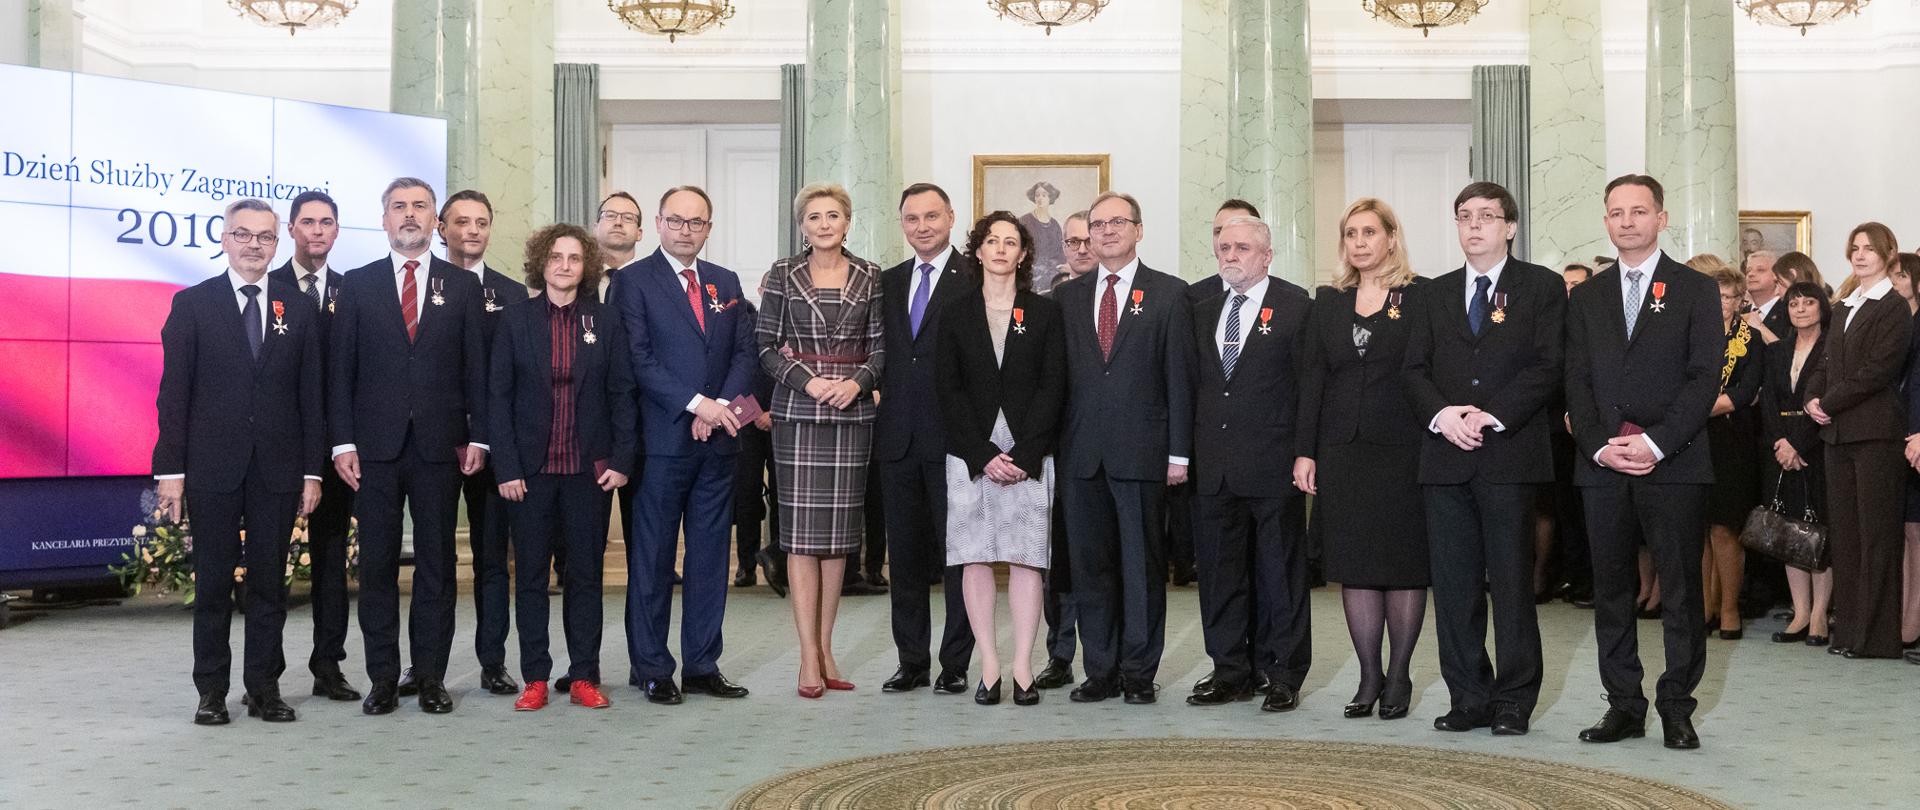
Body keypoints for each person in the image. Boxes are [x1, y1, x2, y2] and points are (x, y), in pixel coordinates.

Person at [1402, 181, 1563, 736]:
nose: (1474, 225)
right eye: (1465, 216)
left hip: (1508, 455)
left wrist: (1492, 414)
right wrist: (1442, 415)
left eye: (1487, 216)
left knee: (1513, 585)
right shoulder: (1432, 293)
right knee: (1454, 588)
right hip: (1445, 457)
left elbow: (1547, 365)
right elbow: (1413, 370)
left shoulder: (1541, 287)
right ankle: (1468, 696)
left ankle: (1514, 700)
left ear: (1510, 227)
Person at [1565, 174, 1720, 750]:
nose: (1626, 221)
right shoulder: (1587, 296)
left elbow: (1704, 378)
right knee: (1611, 591)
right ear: (1606, 221)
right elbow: (1575, 379)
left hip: (1673, 462)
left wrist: (1656, 443)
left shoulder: (1695, 289)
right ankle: (1624, 705)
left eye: (1638, 211)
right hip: (1603, 464)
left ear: (1661, 218)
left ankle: (1677, 707)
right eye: (1616, 212)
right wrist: (1598, 445)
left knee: (1680, 591)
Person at [155, 198, 324, 725]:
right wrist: (171, 472)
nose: (255, 244)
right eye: (244, 234)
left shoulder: (298, 308)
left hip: (279, 467)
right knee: (212, 584)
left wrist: (312, 471)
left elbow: (311, 396)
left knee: (270, 585)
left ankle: (264, 689)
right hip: (212, 468)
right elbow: (173, 395)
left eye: (265, 236)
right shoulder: (192, 304)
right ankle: (211, 691)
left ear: (278, 243)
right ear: (225, 239)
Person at [329, 177, 490, 716]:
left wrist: (479, 435)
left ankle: (431, 676)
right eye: (399, 207)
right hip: (373, 450)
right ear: (384, 220)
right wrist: (342, 442)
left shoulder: (461, 286)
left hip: (440, 449)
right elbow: (341, 371)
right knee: (376, 566)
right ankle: (381, 678)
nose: (409, 215)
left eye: (420, 206)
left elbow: (477, 370)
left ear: (435, 221)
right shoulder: (357, 284)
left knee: (437, 565)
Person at [615, 185, 758, 704]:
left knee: (710, 559)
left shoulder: (726, 281)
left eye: (696, 222)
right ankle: (652, 667)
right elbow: (638, 358)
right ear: (657, 223)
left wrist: (717, 407)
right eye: (676, 220)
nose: (685, 230)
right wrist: (697, 404)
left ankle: (702, 664)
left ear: (708, 228)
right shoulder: (632, 281)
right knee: (652, 560)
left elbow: (744, 352)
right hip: (659, 444)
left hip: (717, 445)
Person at [489, 224, 637, 711]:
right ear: (542, 263)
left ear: (586, 266)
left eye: (574, 258)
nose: (565, 265)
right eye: (556, 256)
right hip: (528, 473)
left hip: (588, 473)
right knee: (531, 577)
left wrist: (622, 460)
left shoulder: (606, 321)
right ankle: (535, 676)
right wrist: (506, 467)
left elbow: (622, 394)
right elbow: (498, 398)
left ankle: (584, 675)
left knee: (586, 577)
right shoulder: (515, 320)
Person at [1055, 191, 1193, 705]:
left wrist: (1179, 453)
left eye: (1118, 222)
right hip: (1080, 456)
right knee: (1090, 569)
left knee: (1141, 569)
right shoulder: (1067, 297)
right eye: (1098, 224)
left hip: (1143, 452)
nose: (1107, 231)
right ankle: (1100, 670)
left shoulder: (1170, 293)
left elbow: (1180, 377)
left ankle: (1138, 672)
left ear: (1139, 229)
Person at [1294, 197, 1428, 721]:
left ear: (1391, 238)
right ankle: (1369, 675)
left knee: (1403, 564)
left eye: (1370, 232)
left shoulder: (1421, 296)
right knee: (1356, 566)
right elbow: (1313, 380)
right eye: (1351, 233)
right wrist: (1305, 451)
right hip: (1342, 451)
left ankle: (1399, 675)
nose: (1360, 242)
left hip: (1404, 448)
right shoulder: (1328, 302)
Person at [756, 183, 886, 698]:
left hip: (852, 413)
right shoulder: (783, 273)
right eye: (814, 216)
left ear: (848, 223)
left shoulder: (871, 274)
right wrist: (808, 382)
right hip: (798, 412)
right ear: (802, 226)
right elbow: (765, 346)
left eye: (833, 215)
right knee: (801, 539)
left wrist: (857, 384)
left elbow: (881, 349)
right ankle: (807, 655)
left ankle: (827, 647)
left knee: (838, 541)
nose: (825, 224)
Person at [936, 211, 1068, 706]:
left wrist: (1025, 454)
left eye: (1010, 242)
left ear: (1023, 254)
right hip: (971, 453)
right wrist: (983, 454)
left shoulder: (1044, 312)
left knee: (1026, 558)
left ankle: (1023, 667)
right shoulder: (955, 312)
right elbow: (948, 390)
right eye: (991, 240)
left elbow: (1054, 387)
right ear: (978, 250)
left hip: (1028, 451)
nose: (1000, 249)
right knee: (974, 557)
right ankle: (990, 665)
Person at [1185, 215, 1313, 713]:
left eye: (1241, 247)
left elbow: (1308, 389)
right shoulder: (1201, 310)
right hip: (1213, 466)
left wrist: (1305, 451)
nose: (1230, 255)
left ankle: (1284, 674)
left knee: (1281, 575)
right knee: (1219, 575)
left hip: (1274, 463)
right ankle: (1229, 671)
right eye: (1224, 247)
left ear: (1267, 255)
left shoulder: (1296, 306)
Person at [406, 188, 525, 699]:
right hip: (433, 442)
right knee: (434, 558)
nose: (472, 230)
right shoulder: (416, 285)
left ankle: (492, 661)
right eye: (461, 222)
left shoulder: (512, 295)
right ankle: (424, 664)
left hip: (494, 443)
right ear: (442, 229)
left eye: (481, 222)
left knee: (492, 557)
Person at [876, 183, 976, 695]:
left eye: (931, 216)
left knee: (959, 557)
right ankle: (911, 661)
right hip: (896, 439)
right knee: (906, 560)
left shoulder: (975, 277)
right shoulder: (887, 282)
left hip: (955, 441)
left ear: (951, 218)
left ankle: (955, 663)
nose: (922, 226)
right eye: (912, 218)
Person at [268, 189, 359, 703]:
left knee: (331, 561)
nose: (317, 231)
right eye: (307, 222)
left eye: (326, 222)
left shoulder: (353, 291)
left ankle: (328, 665)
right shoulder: (267, 287)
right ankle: (266, 673)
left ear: (337, 231)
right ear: (291, 230)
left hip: (337, 448)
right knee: (269, 564)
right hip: (282, 448)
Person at [1806, 222, 1913, 660]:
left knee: (1876, 537)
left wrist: (1828, 402)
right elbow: (1825, 361)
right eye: (1855, 248)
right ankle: (1848, 633)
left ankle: (1877, 639)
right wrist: (1812, 396)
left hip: (1876, 434)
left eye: (1870, 248)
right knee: (1846, 538)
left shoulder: (1894, 308)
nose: (1861, 255)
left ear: (1889, 255)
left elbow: (1877, 371)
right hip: (1838, 434)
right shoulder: (1844, 305)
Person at [1035, 210, 1098, 690]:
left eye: (1086, 240)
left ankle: (1107, 654)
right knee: (1056, 561)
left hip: (1108, 448)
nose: (1080, 249)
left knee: (1098, 558)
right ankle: (1059, 654)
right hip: (1058, 449)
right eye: (1072, 242)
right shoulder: (1050, 304)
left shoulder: (1129, 297)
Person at [1691, 256, 1762, 640]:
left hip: (1732, 440)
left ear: (1740, 300)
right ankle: (1705, 606)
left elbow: (1746, 390)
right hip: (1691, 440)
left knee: (1725, 528)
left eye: (1732, 296)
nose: (1725, 303)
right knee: (1698, 529)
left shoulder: (1751, 338)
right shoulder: (1690, 334)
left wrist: (1697, 408)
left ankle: (1730, 608)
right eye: (1719, 295)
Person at [1761, 281, 1833, 647]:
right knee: (1790, 531)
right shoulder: (1776, 350)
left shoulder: (1832, 347)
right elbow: (1768, 402)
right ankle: (1800, 612)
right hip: (1781, 448)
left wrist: (1798, 444)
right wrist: (1781, 442)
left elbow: (1828, 401)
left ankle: (1820, 614)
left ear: (1822, 307)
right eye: (1794, 304)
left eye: (1808, 302)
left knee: (1818, 528)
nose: (1800, 309)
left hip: (1816, 446)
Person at [1899, 253, 1920, 661]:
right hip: (1901, 435)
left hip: (1915, 434)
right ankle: (1907, 621)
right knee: (1908, 533)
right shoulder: (1901, 320)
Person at [1018, 182, 1067, 293]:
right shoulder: (1024, 221)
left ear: (1050, 198)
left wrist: (1055, 268)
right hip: (1028, 274)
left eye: (1044, 195)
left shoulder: (1055, 225)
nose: (1040, 198)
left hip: (1052, 276)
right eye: (1037, 195)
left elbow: (1060, 253)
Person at [1744, 250, 1787, 344]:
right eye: (1748, 271)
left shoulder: (1787, 312)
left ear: (1776, 275)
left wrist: (1760, 327)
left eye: (1760, 270)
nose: (1751, 274)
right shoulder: (1741, 313)